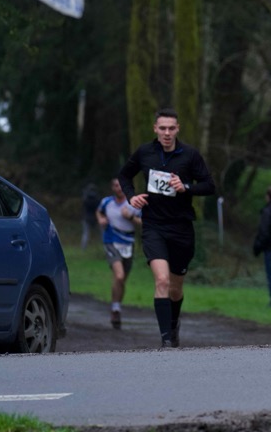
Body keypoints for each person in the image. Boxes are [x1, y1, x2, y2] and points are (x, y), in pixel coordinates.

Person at [119, 107, 217, 348]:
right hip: (153, 226)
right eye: (162, 128)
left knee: (175, 288)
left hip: (181, 228)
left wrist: (186, 187)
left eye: (171, 128)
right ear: (155, 128)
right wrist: (131, 197)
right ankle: (165, 340)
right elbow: (124, 176)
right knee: (162, 280)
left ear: (177, 129)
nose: (166, 133)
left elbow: (209, 185)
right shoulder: (145, 152)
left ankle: (173, 325)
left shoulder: (190, 155)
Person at [96, 178, 141, 329]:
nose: (119, 188)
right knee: (119, 275)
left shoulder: (134, 203)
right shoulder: (106, 202)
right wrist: (101, 219)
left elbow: (144, 223)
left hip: (128, 244)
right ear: (112, 187)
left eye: (121, 185)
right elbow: (98, 211)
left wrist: (130, 217)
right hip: (111, 241)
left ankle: (116, 307)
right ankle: (115, 309)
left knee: (121, 280)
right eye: (116, 185)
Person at [80, 182, 100, 249]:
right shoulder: (96, 199)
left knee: (86, 234)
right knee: (86, 234)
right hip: (92, 218)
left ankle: (83, 248)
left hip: (89, 218)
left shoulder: (86, 199)